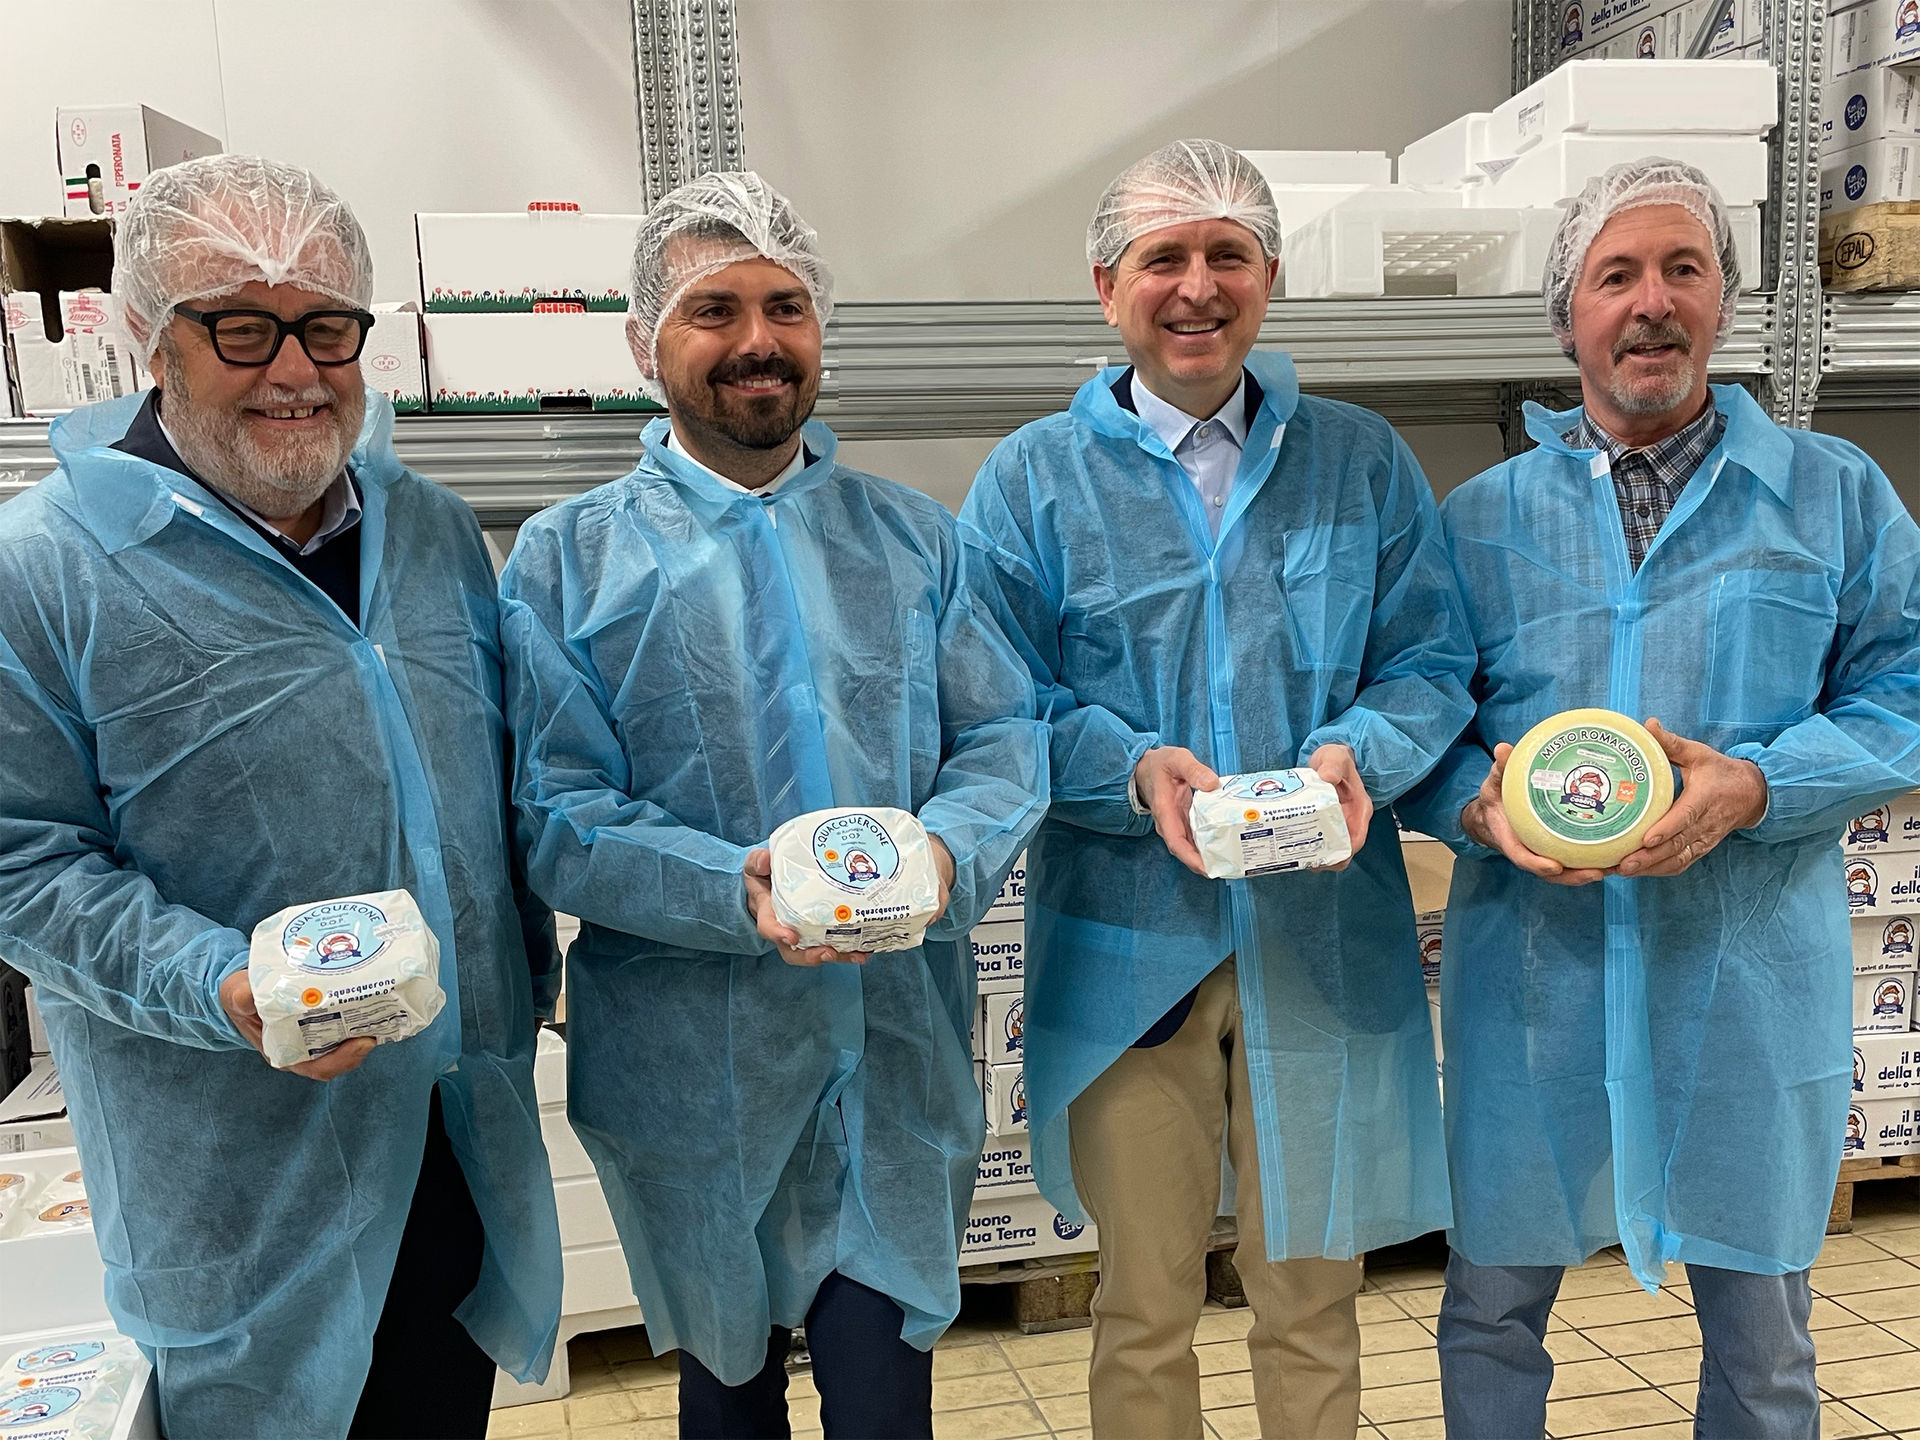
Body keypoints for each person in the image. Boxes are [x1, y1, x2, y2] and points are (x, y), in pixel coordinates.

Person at [0, 155, 563, 1439]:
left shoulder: (431, 534)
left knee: (438, 1406)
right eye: (241, 328)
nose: (296, 370)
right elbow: (22, 863)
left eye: (326, 326)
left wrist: (527, 972)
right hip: (235, 1172)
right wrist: (222, 984)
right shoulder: (46, 570)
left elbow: (484, 800)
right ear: (150, 339)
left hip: (452, 1127)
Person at [498, 172, 1047, 1440]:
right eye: (715, 310)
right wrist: (725, 889)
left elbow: (1002, 737)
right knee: (725, 1395)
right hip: (692, 1065)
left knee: (883, 1393)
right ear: (645, 344)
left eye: (786, 307)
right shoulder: (567, 560)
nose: (758, 339)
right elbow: (558, 809)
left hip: (892, 1052)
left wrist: (947, 853)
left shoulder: (915, 540)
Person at [958, 139, 1474, 1440]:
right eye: (1164, 258)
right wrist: (1130, 768)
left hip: (1320, 938)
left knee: (1314, 1297)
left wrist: (1360, 750)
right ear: (1106, 286)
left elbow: (1429, 658)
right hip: (1129, 950)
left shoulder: (1358, 462)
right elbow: (992, 698)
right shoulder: (1030, 482)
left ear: (1270, 276)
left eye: (1228, 255)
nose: (1197, 287)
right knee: (1143, 1302)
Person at [1396, 159, 1920, 1440]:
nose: (1652, 302)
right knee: (1490, 1310)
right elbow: (1424, 719)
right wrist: (1479, 811)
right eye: (1615, 275)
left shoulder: (1832, 494)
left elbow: (1905, 691)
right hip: (1538, 984)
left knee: (1763, 1336)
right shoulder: (1479, 521)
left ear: (1724, 299)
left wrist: (1760, 784)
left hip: (1745, 986)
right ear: (1566, 316)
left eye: (1684, 269)